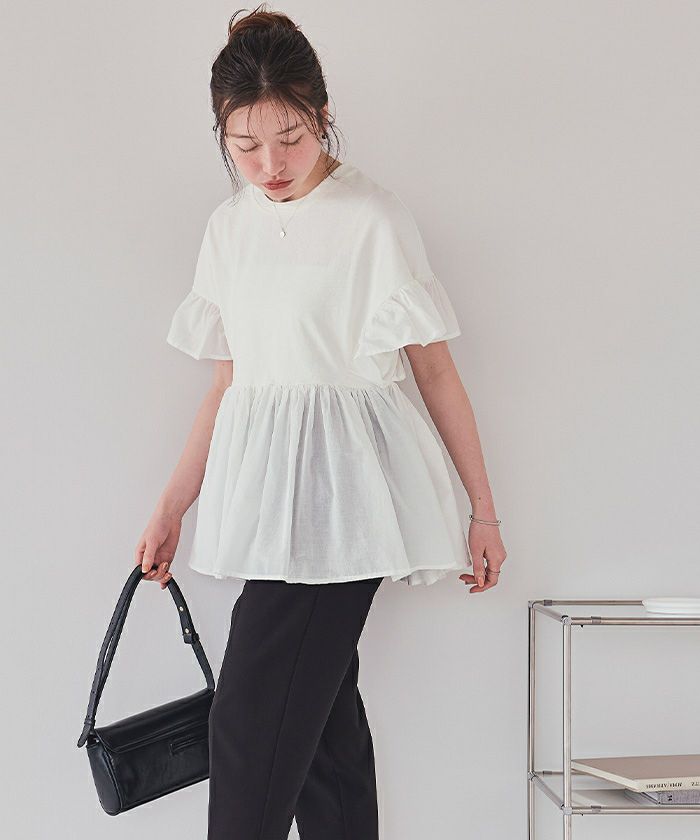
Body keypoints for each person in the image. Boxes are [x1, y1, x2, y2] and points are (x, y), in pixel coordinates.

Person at [135, 6, 507, 838]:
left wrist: (483, 511)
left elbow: (435, 372)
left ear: (323, 114)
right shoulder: (228, 229)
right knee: (323, 743)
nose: (270, 165)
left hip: (348, 501)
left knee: (248, 727)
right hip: (266, 504)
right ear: (221, 134)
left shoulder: (373, 219)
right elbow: (230, 382)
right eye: (246, 145)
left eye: (291, 138)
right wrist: (172, 505)